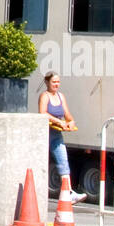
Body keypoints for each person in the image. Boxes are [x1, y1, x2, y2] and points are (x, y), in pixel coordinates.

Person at [39, 71, 86, 201]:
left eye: (58, 82)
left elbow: (67, 114)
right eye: (54, 82)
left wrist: (71, 122)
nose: (56, 84)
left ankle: (68, 192)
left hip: (56, 134)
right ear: (47, 82)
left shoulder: (61, 96)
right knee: (40, 162)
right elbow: (43, 113)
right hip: (45, 133)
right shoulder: (45, 96)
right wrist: (59, 122)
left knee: (63, 161)